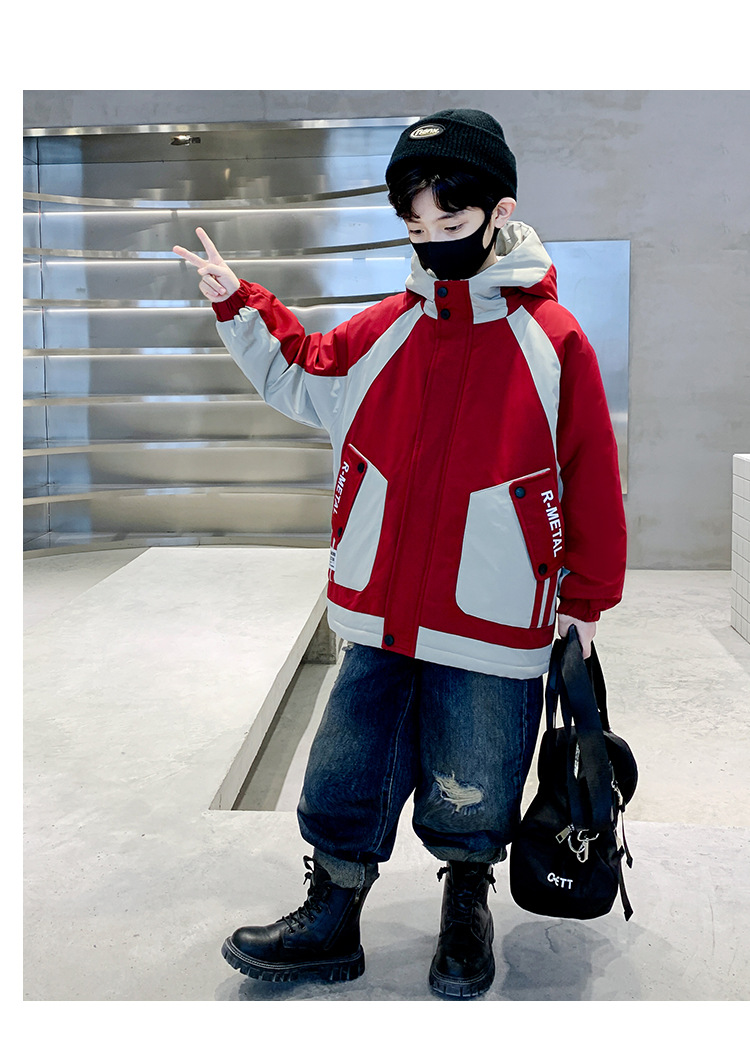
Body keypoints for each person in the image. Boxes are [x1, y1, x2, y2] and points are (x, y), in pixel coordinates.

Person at [173, 108, 627, 999]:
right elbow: (301, 371)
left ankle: (466, 903)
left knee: (478, 767)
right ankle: (332, 911)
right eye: (416, 226)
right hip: (380, 601)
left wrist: (586, 597)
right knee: (351, 757)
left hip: (493, 609)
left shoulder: (553, 340)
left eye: (450, 221)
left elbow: (591, 472)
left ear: (498, 212)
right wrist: (238, 302)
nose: (433, 240)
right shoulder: (386, 328)